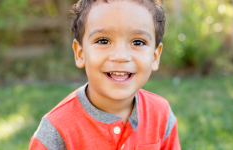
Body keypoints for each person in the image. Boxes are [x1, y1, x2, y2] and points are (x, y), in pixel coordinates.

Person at [29, 0, 180, 149]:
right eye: (103, 41)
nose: (121, 56)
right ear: (80, 53)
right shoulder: (55, 132)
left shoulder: (162, 115)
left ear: (155, 57)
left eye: (138, 42)